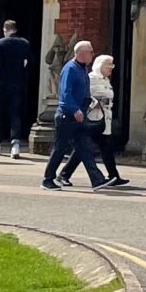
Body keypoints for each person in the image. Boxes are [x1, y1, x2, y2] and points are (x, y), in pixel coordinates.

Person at [42, 39, 112, 190]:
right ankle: (48, 179)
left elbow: (82, 91)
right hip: (67, 116)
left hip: (78, 115)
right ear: (82, 53)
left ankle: (97, 180)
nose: (93, 55)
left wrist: (89, 101)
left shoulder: (81, 69)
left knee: (85, 147)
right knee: (60, 148)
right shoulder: (70, 69)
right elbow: (65, 93)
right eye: (90, 52)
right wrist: (75, 109)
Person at [56, 52, 128, 188]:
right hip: (93, 119)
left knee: (104, 147)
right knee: (82, 149)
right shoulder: (92, 78)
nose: (111, 68)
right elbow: (85, 95)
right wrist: (96, 102)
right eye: (108, 65)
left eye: (112, 65)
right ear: (100, 66)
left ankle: (114, 176)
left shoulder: (106, 80)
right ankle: (64, 175)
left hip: (104, 118)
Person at [0, 17, 34, 157]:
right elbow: (31, 61)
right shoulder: (24, 43)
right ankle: (15, 145)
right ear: (15, 30)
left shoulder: (0, 43)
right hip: (19, 82)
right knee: (15, 114)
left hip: (3, 82)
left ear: (5, 30)